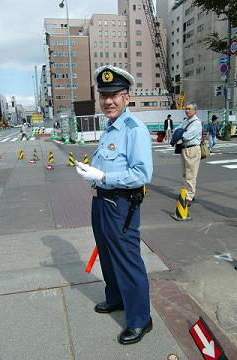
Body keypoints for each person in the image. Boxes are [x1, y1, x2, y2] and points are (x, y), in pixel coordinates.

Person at [76, 65, 153, 345]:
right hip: (102, 203)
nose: (108, 101)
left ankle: (140, 319)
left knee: (128, 262)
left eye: (115, 95)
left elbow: (142, 174)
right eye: (104, 95)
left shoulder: (134, 130)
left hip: (122, 205)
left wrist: (104, 176)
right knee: (108, 256)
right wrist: (91, 170)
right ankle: (117, 299)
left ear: (127, 97)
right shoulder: (110, 127)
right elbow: (106, 163)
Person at [173, 102, 202, 206]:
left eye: (189, 109)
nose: (187, 111)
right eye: (186, 109)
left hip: (192, 149)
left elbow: (186, 136)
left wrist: (180, 132)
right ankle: (188, 193)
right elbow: (175, 130)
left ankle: (189, 196)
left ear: (195, 110)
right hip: (185, 149)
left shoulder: (196, 123)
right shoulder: (186, 121)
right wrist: (179, 132)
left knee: (191, 174)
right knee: (185, 173)